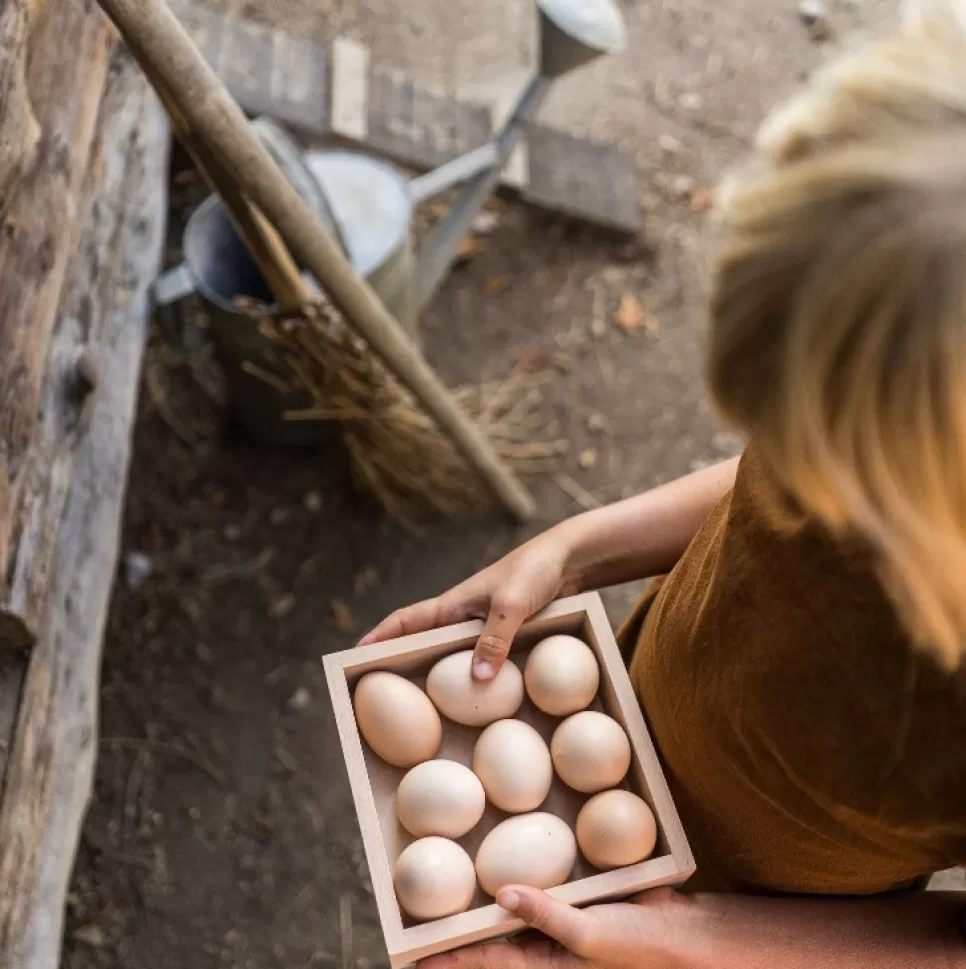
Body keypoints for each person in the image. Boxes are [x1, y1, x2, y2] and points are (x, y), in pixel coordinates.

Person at [360, 0, 966, 965]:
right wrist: (576, 551)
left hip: (782, 917)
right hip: (651, 701)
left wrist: (699, 941)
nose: (812, 486)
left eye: (867, 486)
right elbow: (767, 488)